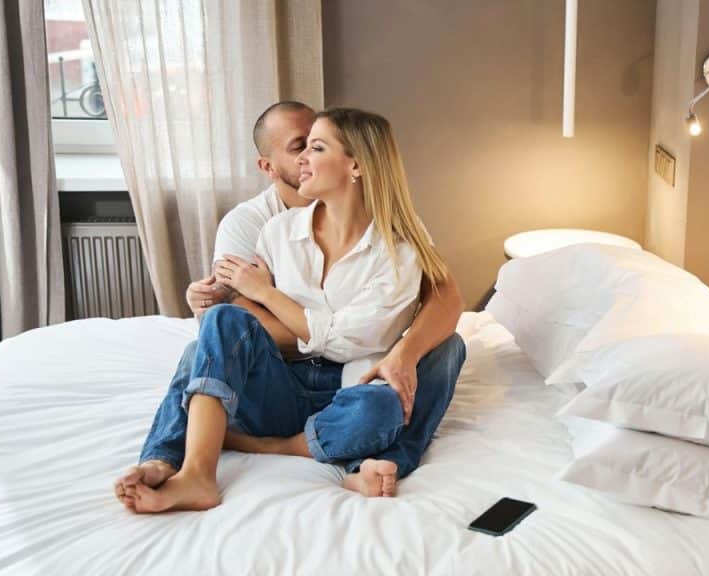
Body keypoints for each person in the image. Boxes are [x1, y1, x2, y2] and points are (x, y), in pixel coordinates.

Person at [114, 107, 465, 513]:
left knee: (403, 387)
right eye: (301, 147)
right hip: (281, 381)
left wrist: (268, 293)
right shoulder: (273, 229)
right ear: (268, 164)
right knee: (214, 330)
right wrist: (250, 299)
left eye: (314, 147)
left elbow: (356, 339)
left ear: (356, 164)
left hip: (351, 385)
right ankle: (188, 470)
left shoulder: (398, 243)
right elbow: (240, 317)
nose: (303, 159)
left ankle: (289, 449)